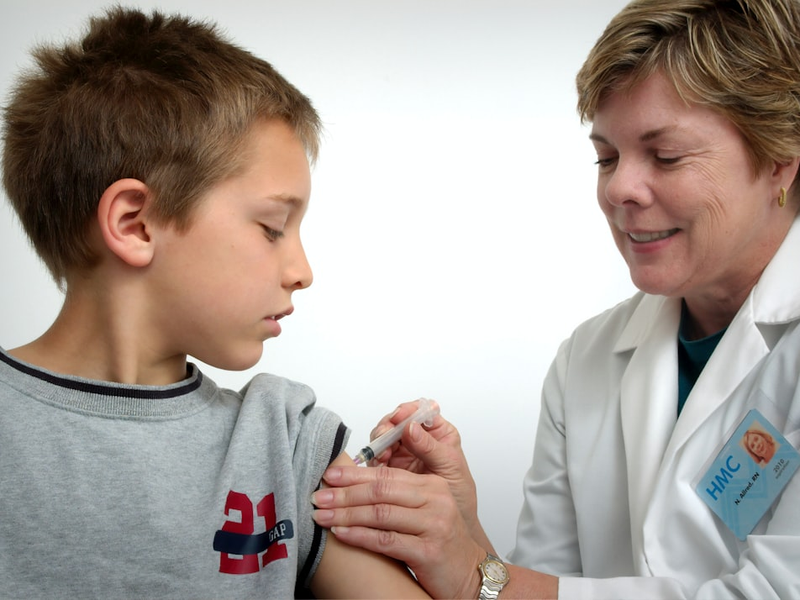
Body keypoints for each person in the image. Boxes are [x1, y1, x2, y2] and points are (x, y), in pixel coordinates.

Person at [311, 0, 800, 597]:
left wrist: (470, 575)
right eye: (606, 156)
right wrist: (464, 532)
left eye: (665, 156)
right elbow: (539, 587)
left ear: (780, 158)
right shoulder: (588, 359)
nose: (619, 188)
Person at [0, 7, 429, 599]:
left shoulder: (284, 445)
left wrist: (464, 541)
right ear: (136, 225)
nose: (302, 272)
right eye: (273, 227)